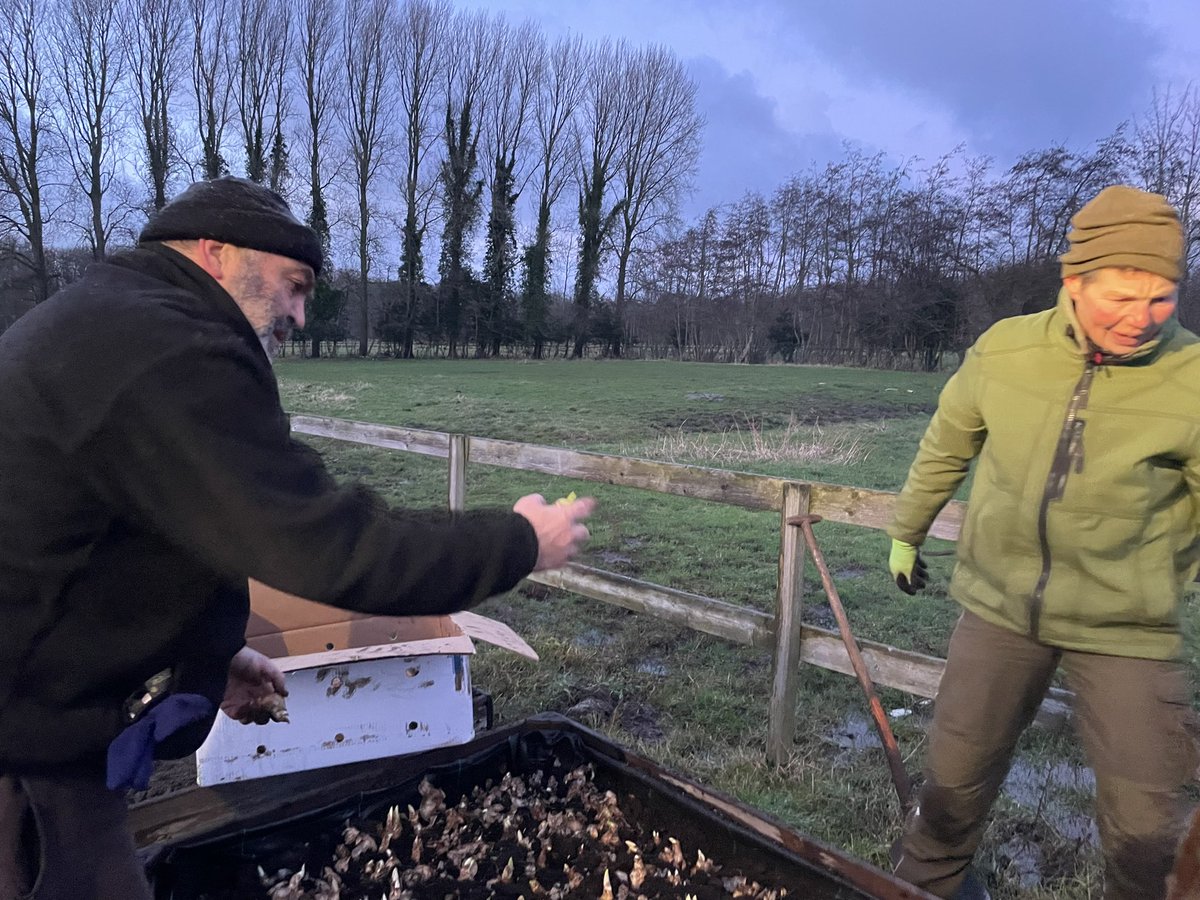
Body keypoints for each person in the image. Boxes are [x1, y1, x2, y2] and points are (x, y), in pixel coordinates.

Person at [0, 176, 595, 900]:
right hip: (30, 713)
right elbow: (324, 543)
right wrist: (519, 542)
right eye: (294, 284)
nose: (300, 315)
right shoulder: (170, 347)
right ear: (216, 253)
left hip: (41, 699)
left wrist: (212, 654)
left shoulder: (120, 318)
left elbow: (162, 528)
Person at [886, 184, 1200, 900]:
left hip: (1128, 630)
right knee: (949, 797)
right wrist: (907, 531)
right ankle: (926, 890)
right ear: (1073, 282)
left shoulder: (1192, 379)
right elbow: (945, 447)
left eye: (1161, 298)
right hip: (998, 612)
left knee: (1150, 835)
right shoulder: (1006, 351)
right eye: (1122, 296)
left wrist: (1165, 568)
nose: (1141, 319)